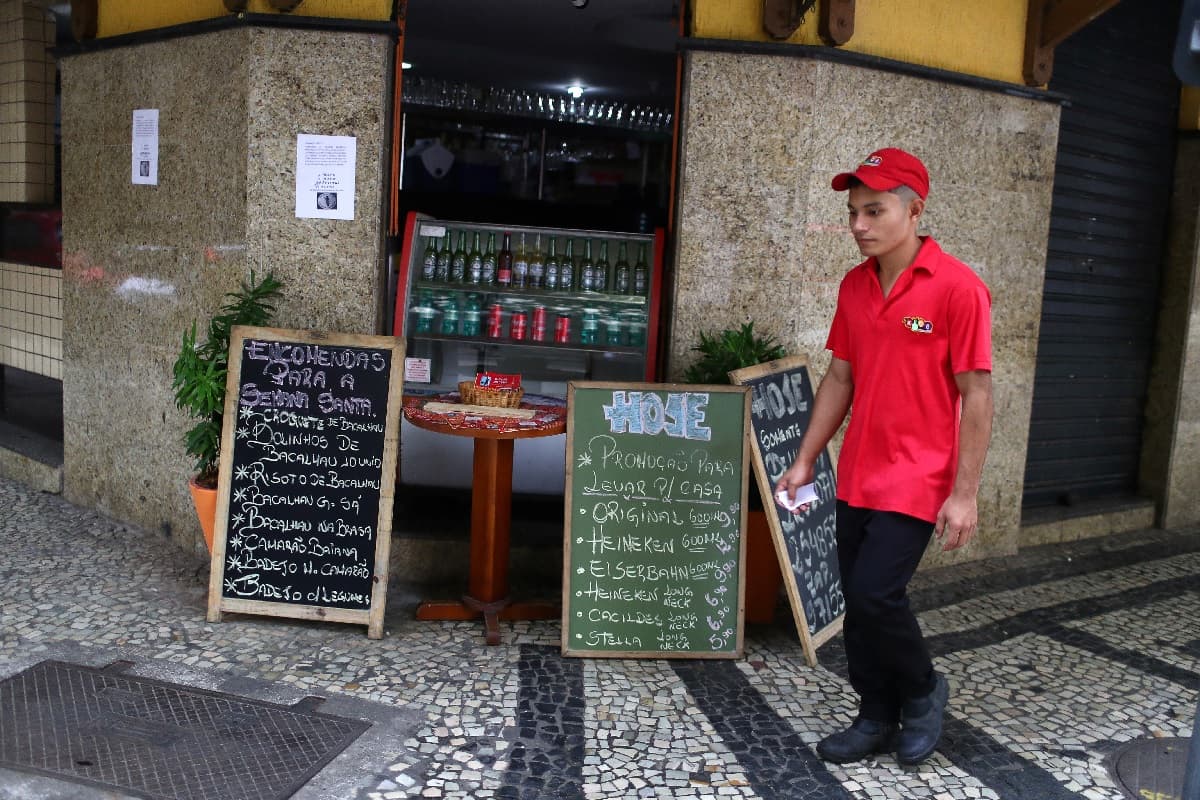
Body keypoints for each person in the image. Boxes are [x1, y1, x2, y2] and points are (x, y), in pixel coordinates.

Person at [775, 147, 993, 767]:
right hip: (859, 471)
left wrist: (965, 493)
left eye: (874, 211)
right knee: (857, 598)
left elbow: (977, 395)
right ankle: (874, 713)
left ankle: (922, 691)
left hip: (920, 475)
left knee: (876, 593)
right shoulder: (855, 285)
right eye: (853, 212)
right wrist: (806, 458)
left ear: (914, 211)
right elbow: (840, 377)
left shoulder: (959, 289)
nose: (859, 225)